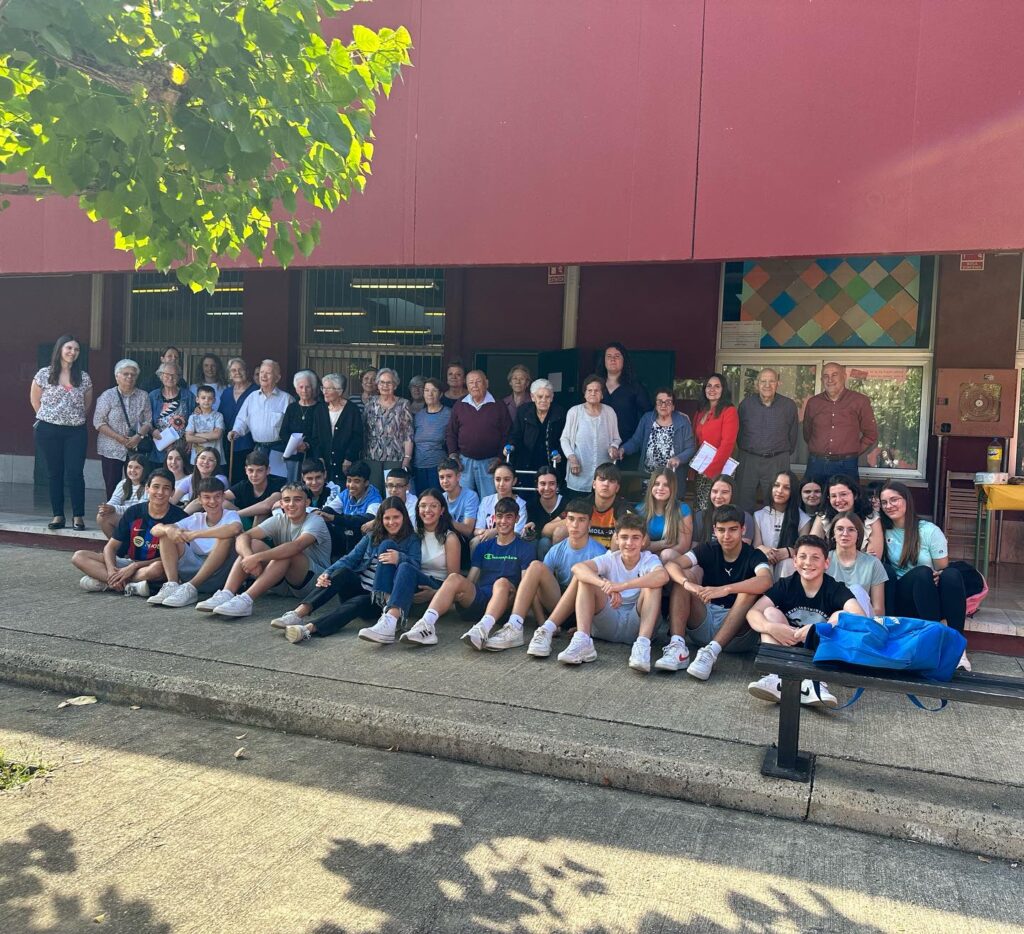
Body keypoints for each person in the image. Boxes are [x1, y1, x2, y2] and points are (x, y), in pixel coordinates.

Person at [269, 497, 422, 645]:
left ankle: (308, 629)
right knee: (342, 571)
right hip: (360, 586)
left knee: (358, 602)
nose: (391, 522)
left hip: (380, 600)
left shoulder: (412, 539)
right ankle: (298, 614)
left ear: (404, 517)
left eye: (396, 517)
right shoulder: (372, 536)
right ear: (380, 519)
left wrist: (400, 557)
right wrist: (327, 573)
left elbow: (414, 568)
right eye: (387, 518)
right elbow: (350, 558)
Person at [400, 498, 535, 648]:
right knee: (454, 578)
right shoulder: (484, 547)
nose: (503, 521)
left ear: (517, 519)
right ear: (494, 518)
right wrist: (447, 592)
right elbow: (470, 580)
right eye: (500, 516)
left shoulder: (525, 548)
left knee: (501, 582)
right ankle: (426, 625)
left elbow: (525, 586)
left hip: (506, 603)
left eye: (509, 517)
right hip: (481, 599)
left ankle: (482, 629)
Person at [746, 535, 861, 708]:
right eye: (803, 557)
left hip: (819, 653)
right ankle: (776, 677)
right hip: (788, 645)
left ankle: (816, 682)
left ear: (826, 563)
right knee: (769, 613)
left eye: (815, 557)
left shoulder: (835, 588)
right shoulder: (786, 585)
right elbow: (753, 612)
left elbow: (859, 616)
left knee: (842, 615)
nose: (808, 562)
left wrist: (820, 628)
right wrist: (771, 628)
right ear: (795, 561)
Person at [663, 504, 774, 680]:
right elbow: (672, 564)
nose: (726, 536)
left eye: (733, 529)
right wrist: (688, 584)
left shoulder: (754, 555)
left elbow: (766, 580)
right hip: (704, 620)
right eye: (721, 530)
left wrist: (726, 589)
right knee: (682, 580)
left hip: (737, 634)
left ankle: (711, 652)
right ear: (715, 530)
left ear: (743, 529)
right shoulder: (708, 548)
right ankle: (678, 647)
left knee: (749, 590)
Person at [196, 482, 331, 617]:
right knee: (253, 544)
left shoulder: (315, 520)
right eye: (286, 500)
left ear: (307, 503)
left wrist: (257, 558)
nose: (291, 504)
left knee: (287, 552)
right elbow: (244, 536)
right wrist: (249, 557)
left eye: (297, 500)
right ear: (281, 504)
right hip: (282, 581)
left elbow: (296, 546)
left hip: (315, 583)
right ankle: (227, 593)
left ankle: (246, 600)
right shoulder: (279, 519)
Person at [494, 497, 606, 658]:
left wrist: (589, 626)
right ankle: (515, 626)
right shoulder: (556, 550)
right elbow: (536, 588)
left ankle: (582, 634)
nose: (575, 525)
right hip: (558, 606)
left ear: (589, 523)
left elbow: (604, 596)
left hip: (584, 611)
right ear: (566, 522)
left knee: (587, 578)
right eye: (571, 519)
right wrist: (541, 620)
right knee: (535, 567)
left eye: (581, 520)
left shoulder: (599, 552)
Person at [879, 481, 970, 670]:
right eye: (884, 502)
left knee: (951, 575)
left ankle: (958, 647)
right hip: (903, 597)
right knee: (922, 572)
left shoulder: (929, 530)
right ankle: (934, 641)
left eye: (894, 500)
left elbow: (942, 568)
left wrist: (938, 575)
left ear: (907, 500)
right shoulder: (881, 530)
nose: (889, 506)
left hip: (929, 594)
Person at [564, 514, 669, 668]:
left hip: (637, 624)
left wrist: (621, 586)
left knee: (653, 584)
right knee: (587, 580)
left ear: (643, 540)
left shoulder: (649, 559)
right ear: (616, 538)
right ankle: (583, 641)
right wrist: (605, 585)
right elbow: (577, 568)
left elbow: (663, 576)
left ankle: (642, 647)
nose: (629, 543)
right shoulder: (610, 558)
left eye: (635, 537)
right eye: (624, 537)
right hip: (609, 620)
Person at [73, 469, 185, 596]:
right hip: (129, 562)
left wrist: (135, 566)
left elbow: (176, 556)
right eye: (156, 487)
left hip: (152, 565)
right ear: (147, 489)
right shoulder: (133, 511)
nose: (160, 492)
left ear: (172, 492)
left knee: (158, 568)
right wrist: (111, 571)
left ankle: (107, 582)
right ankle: (124, 584)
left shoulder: (180, 517)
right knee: (79, 556)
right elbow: (111, 547)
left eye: (166, 488)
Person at [147, 477, 243, 607]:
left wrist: (195, 534)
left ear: (223, 497)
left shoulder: (231, 515)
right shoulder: (195, 518)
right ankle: (172, 585)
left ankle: (192, 587)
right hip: (191, 572)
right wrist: (168, 529)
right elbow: (155, 530)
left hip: (219, 574)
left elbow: (235, 529)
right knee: (167, 534)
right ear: (199, 499)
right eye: (207, 497)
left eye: (217, 496)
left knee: (226, 537)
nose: (212, 501)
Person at [31, 334, 94, 530]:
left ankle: (78, 516)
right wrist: (52, 418)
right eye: (69, 348)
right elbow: (35, 401)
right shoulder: (44, 374)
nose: (72, 352)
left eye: (76, 349)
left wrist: (70, 419)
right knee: (54, 472)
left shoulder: (83, 377)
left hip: (75, 431)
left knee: (75, 472)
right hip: (48, 430)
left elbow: (87, 405)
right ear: (59, 349)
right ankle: (58, 514)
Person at [803, 361, 878, 487]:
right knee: (813, 498)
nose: (830, 380)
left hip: (846, 465)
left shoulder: (859, 401)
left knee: (846, 498)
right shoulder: (813, 403)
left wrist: (853, 451)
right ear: (821, 380)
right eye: (826, 376)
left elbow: (871, 434)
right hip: (816, 464)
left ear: (844, 376)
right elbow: (807, 433)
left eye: (834, 375)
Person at [735, 368, 800, 512]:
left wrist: (779, 453)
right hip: (749, 459)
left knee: (777, 503)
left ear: (778, 383)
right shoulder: (746, 404)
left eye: (771, 381)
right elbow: (739, 433)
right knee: (743, 502)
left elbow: (793, 435)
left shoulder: (788, 405)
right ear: (757, 384)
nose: (767, 385)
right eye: (763, 381)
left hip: (777, 460)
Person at [613, 387, 695, 496]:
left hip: (672, 479)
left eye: (668, 402)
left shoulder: (683, 422)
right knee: (648, 504)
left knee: (671, 505)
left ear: (673, 406)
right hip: (648, 477)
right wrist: (623, 449)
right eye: (660, 402)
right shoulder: (647, 419)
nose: (663, 405)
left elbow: (690, 448)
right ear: (655, 405)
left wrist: (678, 459)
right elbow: (636, 441)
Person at [93, 358, 153, 498]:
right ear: (117, 376)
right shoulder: (107, 396)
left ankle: (131, 509)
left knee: (136, 483)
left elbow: (148, 421)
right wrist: (118, 438)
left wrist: (138, 436)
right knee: (112, 484)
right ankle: (112, 509)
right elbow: (98, 422)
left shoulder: (143, 396)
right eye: (126, 374)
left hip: (135, 447)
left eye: (133, 374)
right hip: (111, 447)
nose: (129, 377)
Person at [446, 370, 512, 496]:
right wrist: (453, 455)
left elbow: (507, 434)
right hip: (464, 462)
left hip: (490, 463)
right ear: (466, 385)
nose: (475, 385)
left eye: (478, 381)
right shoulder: (460, 404)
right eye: (471, 382)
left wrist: (499, 458)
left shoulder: (498, 405)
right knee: (464, 498)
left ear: (486, 383)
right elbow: (451, 432)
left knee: (489, 499)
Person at [228, 359, 292, 477]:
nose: (263, 376)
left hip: (279, 449)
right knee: (258, 480)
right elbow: (242, 419)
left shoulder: (286, 399)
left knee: (277, 481)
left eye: (268, 373)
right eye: (262, 372)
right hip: (259, 448)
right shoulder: (252, 397)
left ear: (277, 378)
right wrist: (236, 431)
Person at [561, 374, 621, 494]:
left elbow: (616, 438)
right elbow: (565, 439)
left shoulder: (609, 412)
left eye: (597, 390)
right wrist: (572, 458)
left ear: (602, 394)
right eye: (589, 390)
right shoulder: (574, 412)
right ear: (584, 393)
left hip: (603, 476)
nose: (593, 393)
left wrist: (614, 447)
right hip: (579, 470)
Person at [550, 461, 630, 550]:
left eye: (611, 481)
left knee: (620, 535)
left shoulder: (623, 507)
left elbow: (638, 534)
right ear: (594, 484)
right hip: (584, 554)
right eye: (602, 479)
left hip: (609, 556)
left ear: (617, 488)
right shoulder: (582, 504)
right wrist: (572, 520)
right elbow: (546, 530)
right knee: (561, 531)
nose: (606, 484)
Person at [506, 378, 566, 489]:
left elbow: (565, 438)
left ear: (552, 397)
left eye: (547, 397)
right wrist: (511, 445)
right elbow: (515, 434)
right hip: (527, 460)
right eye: (540, 396)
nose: (543, 400)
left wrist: (560, 454)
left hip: (550, 460)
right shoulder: (523, 411)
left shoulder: (559, 413)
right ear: (533, 397)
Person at [691, 373, 738, 511]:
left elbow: (728, 443)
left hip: (720, 468)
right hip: (701, 468)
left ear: (723, 389)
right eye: (709, 386)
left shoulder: (729, 411)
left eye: (717, 386)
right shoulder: (701, 411)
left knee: (718, 508)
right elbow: (695, 440)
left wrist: (712, 470)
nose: (712, 389)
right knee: (701, 508)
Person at [753, 470, 812, 580]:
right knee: (764, 560)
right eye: (776, 485)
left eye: (786, 488)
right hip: (766, 562)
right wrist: (768, 551)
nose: (780, 491)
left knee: (787, 563)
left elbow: (804, 548)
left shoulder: (803, 518)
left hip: (789, 568)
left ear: (793, 491)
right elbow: (757, 545)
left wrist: (788, 551)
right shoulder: (759, 515)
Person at [826, 512, 887, 616]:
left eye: (851, 529)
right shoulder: (823, 561)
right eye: (840, 529)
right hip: (830, 618)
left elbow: (879, 610)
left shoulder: (873, 563)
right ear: (833, 534)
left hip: (862, 619)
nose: (845, 533)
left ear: (858, 534)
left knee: (857, 590)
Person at [363, 367, 414, 492]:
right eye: (382, 382)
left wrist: (407, 458)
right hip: (372, 456)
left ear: (395, 385)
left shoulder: (403, 404)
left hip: (395, 456)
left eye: (389, 383)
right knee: (374, 492)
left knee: (393, 492)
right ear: (377, 384)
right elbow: (363, 429)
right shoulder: (370, 403)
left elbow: (408, 433)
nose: (385, 386)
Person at [810, 475, 883, 558]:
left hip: (863, 566)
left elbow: (874, 558)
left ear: (855, 495)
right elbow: (811, 547)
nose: (838, 500)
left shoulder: (871, 518)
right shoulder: (824, 516)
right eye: (833, 496)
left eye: (843, 494)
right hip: (829, 564)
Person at [322, 459, 382, 555]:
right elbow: (327, 510)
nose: (351, 485)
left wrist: (334, 518)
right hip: (345, 538)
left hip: (362, 542)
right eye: (349, 480)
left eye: (356, 481)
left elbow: (366, 520)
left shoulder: (375, 498)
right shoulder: (345, 493)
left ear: (366, 482)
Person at [597, 342, 651, 446]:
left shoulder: (635, 387)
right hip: (598, 444)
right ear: (604, 360)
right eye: (609, 356)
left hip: (627, 445)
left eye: (617, 356)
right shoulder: (595, 386)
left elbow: (648, 415)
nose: (613, 359)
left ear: (624, 360)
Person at [313, 372, 363, 485]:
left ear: (339, 391)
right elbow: (315, 437)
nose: (324, 392)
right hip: (325, 463)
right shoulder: (319, 410)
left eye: (328, 389)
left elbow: (357, 437)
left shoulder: (352, 410)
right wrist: (319, 457)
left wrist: (349, 458)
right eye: (323, 388)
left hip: (345, 463)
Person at [277, 370, 324, 482]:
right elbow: (283, 432)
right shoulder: (292, 408)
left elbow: (322, 434)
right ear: (296, 389)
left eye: (308, 387)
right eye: (301, 387)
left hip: (313, 456)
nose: (304, 390)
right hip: (293, 455)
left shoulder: (321, 408)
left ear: (313, 388)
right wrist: (295, 445)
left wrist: (307, 445)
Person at [470, 460, 528, 550]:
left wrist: (495, 531)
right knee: (475, 542)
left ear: (514, 481)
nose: (501, 484)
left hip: (511, 544)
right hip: (489, 541)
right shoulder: (486, 501)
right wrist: (485, 533)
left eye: (506, 480)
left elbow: (517, 532)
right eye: (497, 479)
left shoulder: (521, 504)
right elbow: (477, 529)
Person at [216, 450, 285, 524]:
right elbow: (218, 497)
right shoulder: (243, 485)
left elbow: (266, 506)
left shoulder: (277, 484)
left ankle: (251, 532)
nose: (254, 475)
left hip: (269, 526)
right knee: (223, 503)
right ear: (246, 470)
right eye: (251, 470)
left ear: (268, 470)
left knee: (261, 512)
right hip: (246, 522)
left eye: (259, 470)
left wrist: (235, 514)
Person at [217, 357, 257, 484]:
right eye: (233, 370)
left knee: (247, 477)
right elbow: (220, 415)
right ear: (229, 374)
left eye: (241, 369)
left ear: (246, 371)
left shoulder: (255, 391)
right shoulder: (226, 393)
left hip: (249, 441)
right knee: (230, 477)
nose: (237, 373)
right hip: (228, 442)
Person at [635, 468, 692, 556]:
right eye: (657, 484)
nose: (660, 488)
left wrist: (657, 554)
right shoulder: (640, 510)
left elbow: (683, 547)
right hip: (644, 558)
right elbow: (638, 546)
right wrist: (663, 544)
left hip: (670, 558)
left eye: (666, 485)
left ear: (672, 488)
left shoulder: (682, 509)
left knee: (667, 554)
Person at [148, 361, 194, 465]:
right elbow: (145, 419)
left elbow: (195, 418)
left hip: (182, 448)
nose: (170, 378)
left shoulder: (188, 396)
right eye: (167, 374)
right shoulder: (153, 396)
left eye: (174, 375)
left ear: (179, 377)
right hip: (160, 446)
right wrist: (152, 430)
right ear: (161, 376)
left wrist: (191, 439)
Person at [412, 377, 451, 493]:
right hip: (418, 467)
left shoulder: (448, 414)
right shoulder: (418, 416)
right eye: (426, 390)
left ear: (440, 394)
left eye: (434, 390)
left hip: (439, 468)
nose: (430, 394)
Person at [96, 454, 149, 538]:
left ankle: (118, 544)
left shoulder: (148, 486)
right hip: (126, 517)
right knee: (102, 516)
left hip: (141, 520)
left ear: (145, 469)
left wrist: (114, 509)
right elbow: (114, 500)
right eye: (130, 467)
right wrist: (106, 508)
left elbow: (139, 509)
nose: (132, 470)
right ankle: (117, 544)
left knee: (106, 517)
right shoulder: (123, 483)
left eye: (137, 468)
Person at [692, 474, 754, 546]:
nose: (718, 496)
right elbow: (694, 547)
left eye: (724, 492)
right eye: (715, 491)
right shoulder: (700, 516)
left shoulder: (745, 518)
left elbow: (744, 549)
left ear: (732, 494)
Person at [437, 456, 479, 544]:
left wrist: (445, 519)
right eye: (441, 477)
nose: (445, 481)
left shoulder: (470, 496)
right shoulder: (440, 498)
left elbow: (468, 530)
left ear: (458, 477)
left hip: (464, 542)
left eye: (449, 476)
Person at [524, 465, 564, 556]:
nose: (547, 488)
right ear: (537, 485)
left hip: (560, 548)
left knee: (545, 542)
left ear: (557, 485)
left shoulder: (566, 503)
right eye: (542, 484)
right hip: (538, 548)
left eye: (552, 483)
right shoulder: (531, 505)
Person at [184, 385, 225, 464]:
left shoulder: (218, 416)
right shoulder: (193, 417)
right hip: (197, 458)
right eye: (203, 398)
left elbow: (217, 435)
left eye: (210, 398)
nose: (206, 400)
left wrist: (195, 435)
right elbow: (188, 438)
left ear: (214, 400)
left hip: (215, 457)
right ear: (197, 399)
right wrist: (207, 438)